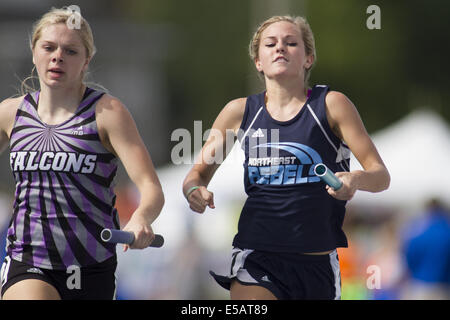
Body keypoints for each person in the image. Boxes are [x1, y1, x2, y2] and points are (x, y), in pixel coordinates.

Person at [182, 15, 390, 300]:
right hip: (257, 255)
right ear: (258, 61)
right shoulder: (238, 111)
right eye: (271, 44)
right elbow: (196, 175)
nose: (280, 48)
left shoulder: (331, 105)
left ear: (308, 58)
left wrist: (355, 179)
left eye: (291, 43)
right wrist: (194, 190)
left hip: (316, 262)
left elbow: (380, 176)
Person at [0, 7, 164, 300]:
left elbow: (151, 187)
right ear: (34, 51)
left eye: (70, 51)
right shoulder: (10, 113)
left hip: (90, 264)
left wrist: (141, 218)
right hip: (28, 258)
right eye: (48, 47)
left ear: (86, 61)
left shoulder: (108, 113)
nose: (57, 56)